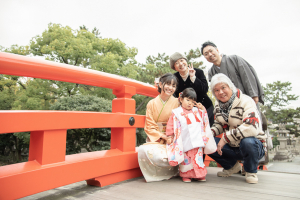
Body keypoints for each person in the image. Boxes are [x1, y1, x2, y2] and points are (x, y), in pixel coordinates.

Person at [207, 74, 266, 184]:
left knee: (247, 141)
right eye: (216, 90)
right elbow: (219, 124)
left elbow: (251, 128)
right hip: (232, 145)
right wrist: (209, 133)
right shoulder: (218, 104)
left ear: (231, 87)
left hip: (254, 145)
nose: (220, 92)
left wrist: (225, 137)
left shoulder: (246, 101)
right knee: (205, 141)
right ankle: (231, 166)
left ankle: (251, 171)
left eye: (223, 87)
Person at [165, 88, 217, 183]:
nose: (190, 103)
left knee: (198, 158)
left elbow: (204, 118)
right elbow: (171, 125)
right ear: (181, 99)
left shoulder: (197, 111)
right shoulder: (176, 112)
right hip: (184, 140)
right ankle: (186, 175)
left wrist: (202, 109)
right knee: (186, 159)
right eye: (187, 100)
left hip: (197, 140)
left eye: (192, 102)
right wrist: (169, 135)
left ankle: (199, 174)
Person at [138, 73, 179, 182]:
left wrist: (171, 137)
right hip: (158, 138)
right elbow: (150, 125)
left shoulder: (177, 102)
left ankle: (174, 170)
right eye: (168, 84)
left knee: (173, 154)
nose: (170, 88)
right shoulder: (151, 103)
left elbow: (181, 122)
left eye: (173, 86)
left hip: (173, 139)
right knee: (143, 150)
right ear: (160, 84)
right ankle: (157, 174)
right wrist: (162, 136)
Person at [201, 41, 264, 105]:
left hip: (246, 99)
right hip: (228, 105)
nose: (210, 54)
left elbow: (247, 76)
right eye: (206, 54)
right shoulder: (211, 72)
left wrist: (253, 95)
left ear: (217, 50)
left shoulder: (234, 59)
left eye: (211, 51)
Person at [169, 52, 214, 127]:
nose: (180, 64)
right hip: (186, 111)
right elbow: (173, 93)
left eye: (182, 60)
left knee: (206, 131)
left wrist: (193, 78)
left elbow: (205, 90)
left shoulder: (198, 72)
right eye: (176, 63)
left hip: (203, 107)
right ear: (174, 68)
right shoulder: (174, 77)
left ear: (186, 61)